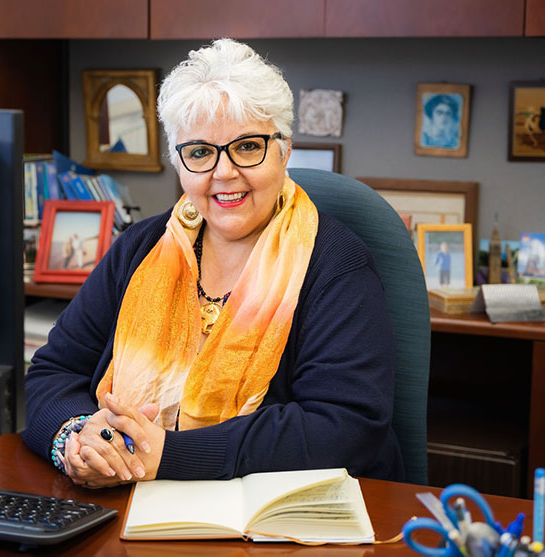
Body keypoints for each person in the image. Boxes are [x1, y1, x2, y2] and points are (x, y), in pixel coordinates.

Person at [22, 39, 403, 489]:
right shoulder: (140, 247)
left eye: (247, 147)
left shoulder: (336, 264)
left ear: (284, 151)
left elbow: (344, 426)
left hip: (273, 520)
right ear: (179, 164)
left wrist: (168, 455)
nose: (223, 173)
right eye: (200, 152)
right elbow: (51, 372)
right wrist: (80, 441)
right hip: (128, 500)